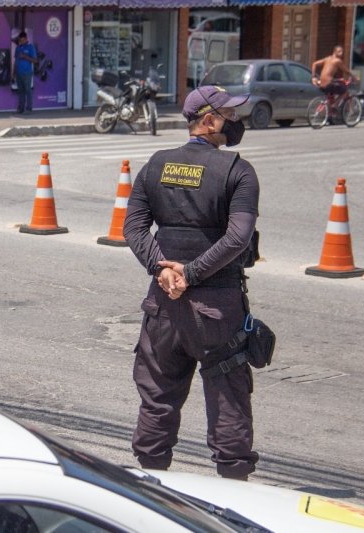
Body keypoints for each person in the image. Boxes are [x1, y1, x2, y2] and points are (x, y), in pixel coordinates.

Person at [123, 85, 260, 480]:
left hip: (163, 304)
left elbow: (133, 229)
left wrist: (163, 270)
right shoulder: (237, 170)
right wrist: (192, 273)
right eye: (229, 115)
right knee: (228, 400)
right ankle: (234, 490)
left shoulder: (156, 164)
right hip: (216, 309)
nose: (235, 123)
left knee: (157, 399)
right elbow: (238, 239)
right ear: (209, 120)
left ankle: (152, 484)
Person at [13, 31, 37, 115]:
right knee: (20, 91)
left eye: (23, 40)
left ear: (26, 39)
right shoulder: (18, 48)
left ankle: (29, 108)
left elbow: (35, 60)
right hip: (19, 73)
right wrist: (14, 73)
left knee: (28, 90)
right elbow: (16, 61)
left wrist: (25, 56)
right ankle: (21, 108)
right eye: (20, 40)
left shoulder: (30, 47)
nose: (21, 42)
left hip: (27, 73)